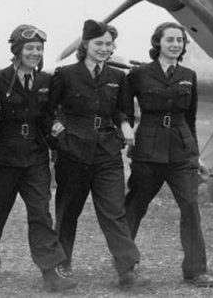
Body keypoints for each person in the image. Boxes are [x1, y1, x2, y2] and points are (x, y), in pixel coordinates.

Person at [48, 19, 150, 289]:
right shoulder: (65, 74)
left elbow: (123, 111)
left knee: (114, 211)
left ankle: (128, 269)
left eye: (109, 44)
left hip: (107, 151)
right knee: (68, 210)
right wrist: (58, 134)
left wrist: (126, 125)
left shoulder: (118, 78)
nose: (105, 48)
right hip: (73, 151)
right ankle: (61, 265)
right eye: (99, 44)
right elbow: (49, 109)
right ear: (85, 45)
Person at [124, 22, 213, 287]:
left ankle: (196, 270)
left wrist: (195, 155)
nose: (176, 44)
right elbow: (125, 111)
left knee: (190, 207)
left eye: (180, 40)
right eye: (170, 40)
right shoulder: (139, 74)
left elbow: (191, 118)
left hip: (181, 152)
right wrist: (125, 129)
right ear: (158, 43)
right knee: (134, 207)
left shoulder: (189, 75)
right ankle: (126, 267)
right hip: (147, 151)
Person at [0, 24, 78, 292]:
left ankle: (50, 272)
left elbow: (50, 116)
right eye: (29, 48)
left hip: (35, 158)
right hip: (3, 158)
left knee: (40, 213)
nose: (35, 53)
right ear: (17, 50)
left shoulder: (45, 82)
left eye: (39, 49)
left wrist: (55, 128)